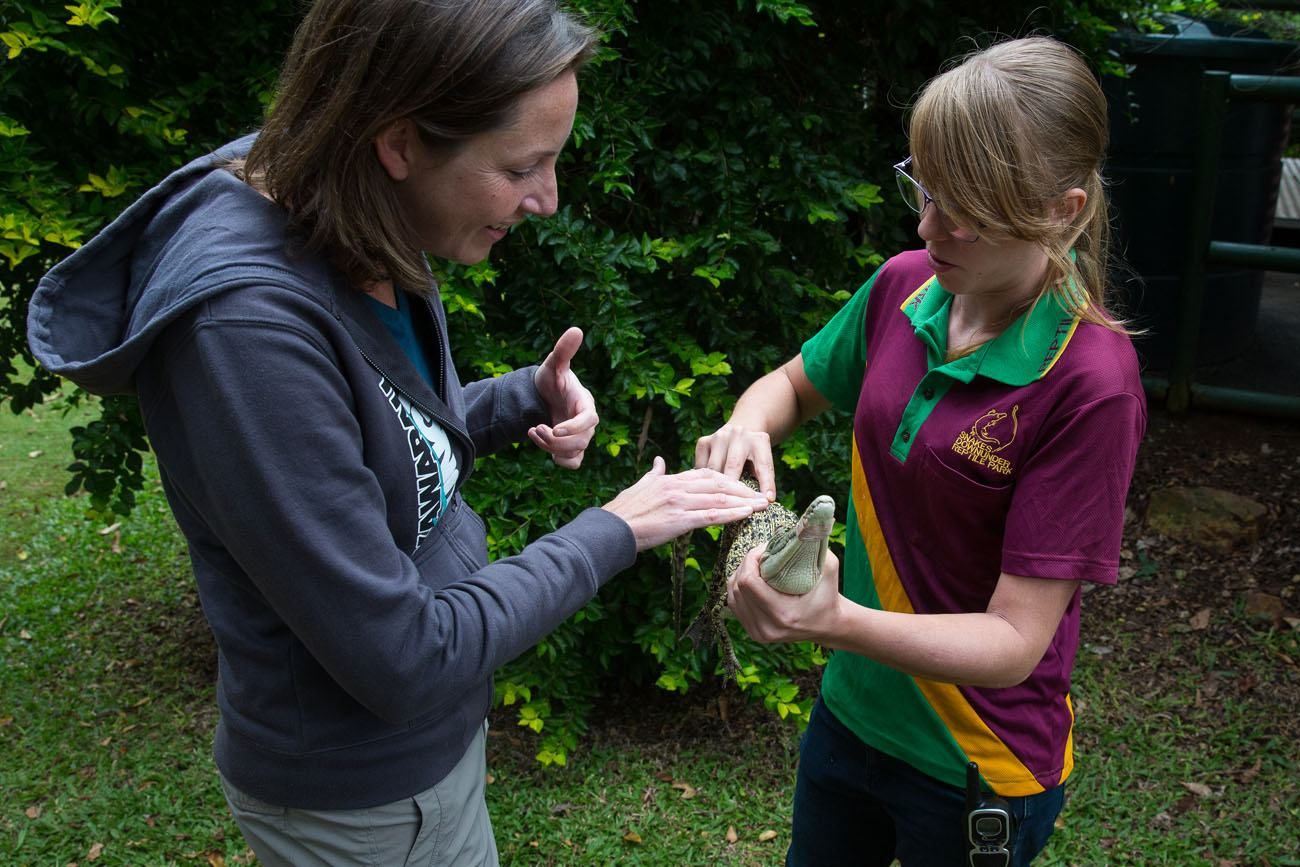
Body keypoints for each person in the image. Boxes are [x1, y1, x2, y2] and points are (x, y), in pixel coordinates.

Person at [26, 1, 771, 864]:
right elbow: (404, 655)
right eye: (523, 165)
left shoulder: (354, 213)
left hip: (421, 763)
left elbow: (382, 429)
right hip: (361, 800)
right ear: (402, 140)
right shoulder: (245, 333)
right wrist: (618, 529)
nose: (548, 199)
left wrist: (521, 398)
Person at [695, 36, 1147, 866]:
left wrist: (835, 621)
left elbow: (1015, 643)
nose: (928, 224)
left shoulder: (1091, 382)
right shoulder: (907, 285)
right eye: (926, 186)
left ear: (1064, 209)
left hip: (975, 765)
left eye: (965, 209)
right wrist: (748, 425)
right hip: (849, 718)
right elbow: (791, 385)